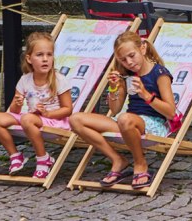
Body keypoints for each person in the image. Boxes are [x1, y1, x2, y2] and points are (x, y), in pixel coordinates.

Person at [69, 32, 175, 190]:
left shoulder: (159, 74)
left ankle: (140, 163)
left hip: (153, 123)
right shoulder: (127, 75)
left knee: (125, 118)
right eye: (123, 60)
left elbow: (171, 112)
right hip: (126, 122)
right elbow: (115, 109)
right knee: (75, 119)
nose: (129, 62)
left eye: (132, 56)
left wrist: (146, 95)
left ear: (143, 49)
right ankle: (117, 160)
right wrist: (113, 87)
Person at [0, 31, 72, 179]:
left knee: (27, 119)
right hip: (31, 118)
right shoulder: (25, 80)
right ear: (29, 58)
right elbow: (14, 110)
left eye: (49, 55)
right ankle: (15, 156)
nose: (45, 59)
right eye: (39, 55)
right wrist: (17, 103)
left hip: (54, 120)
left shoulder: (59, 79)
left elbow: (68, 109)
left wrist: (47, 113)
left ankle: (42, 159)